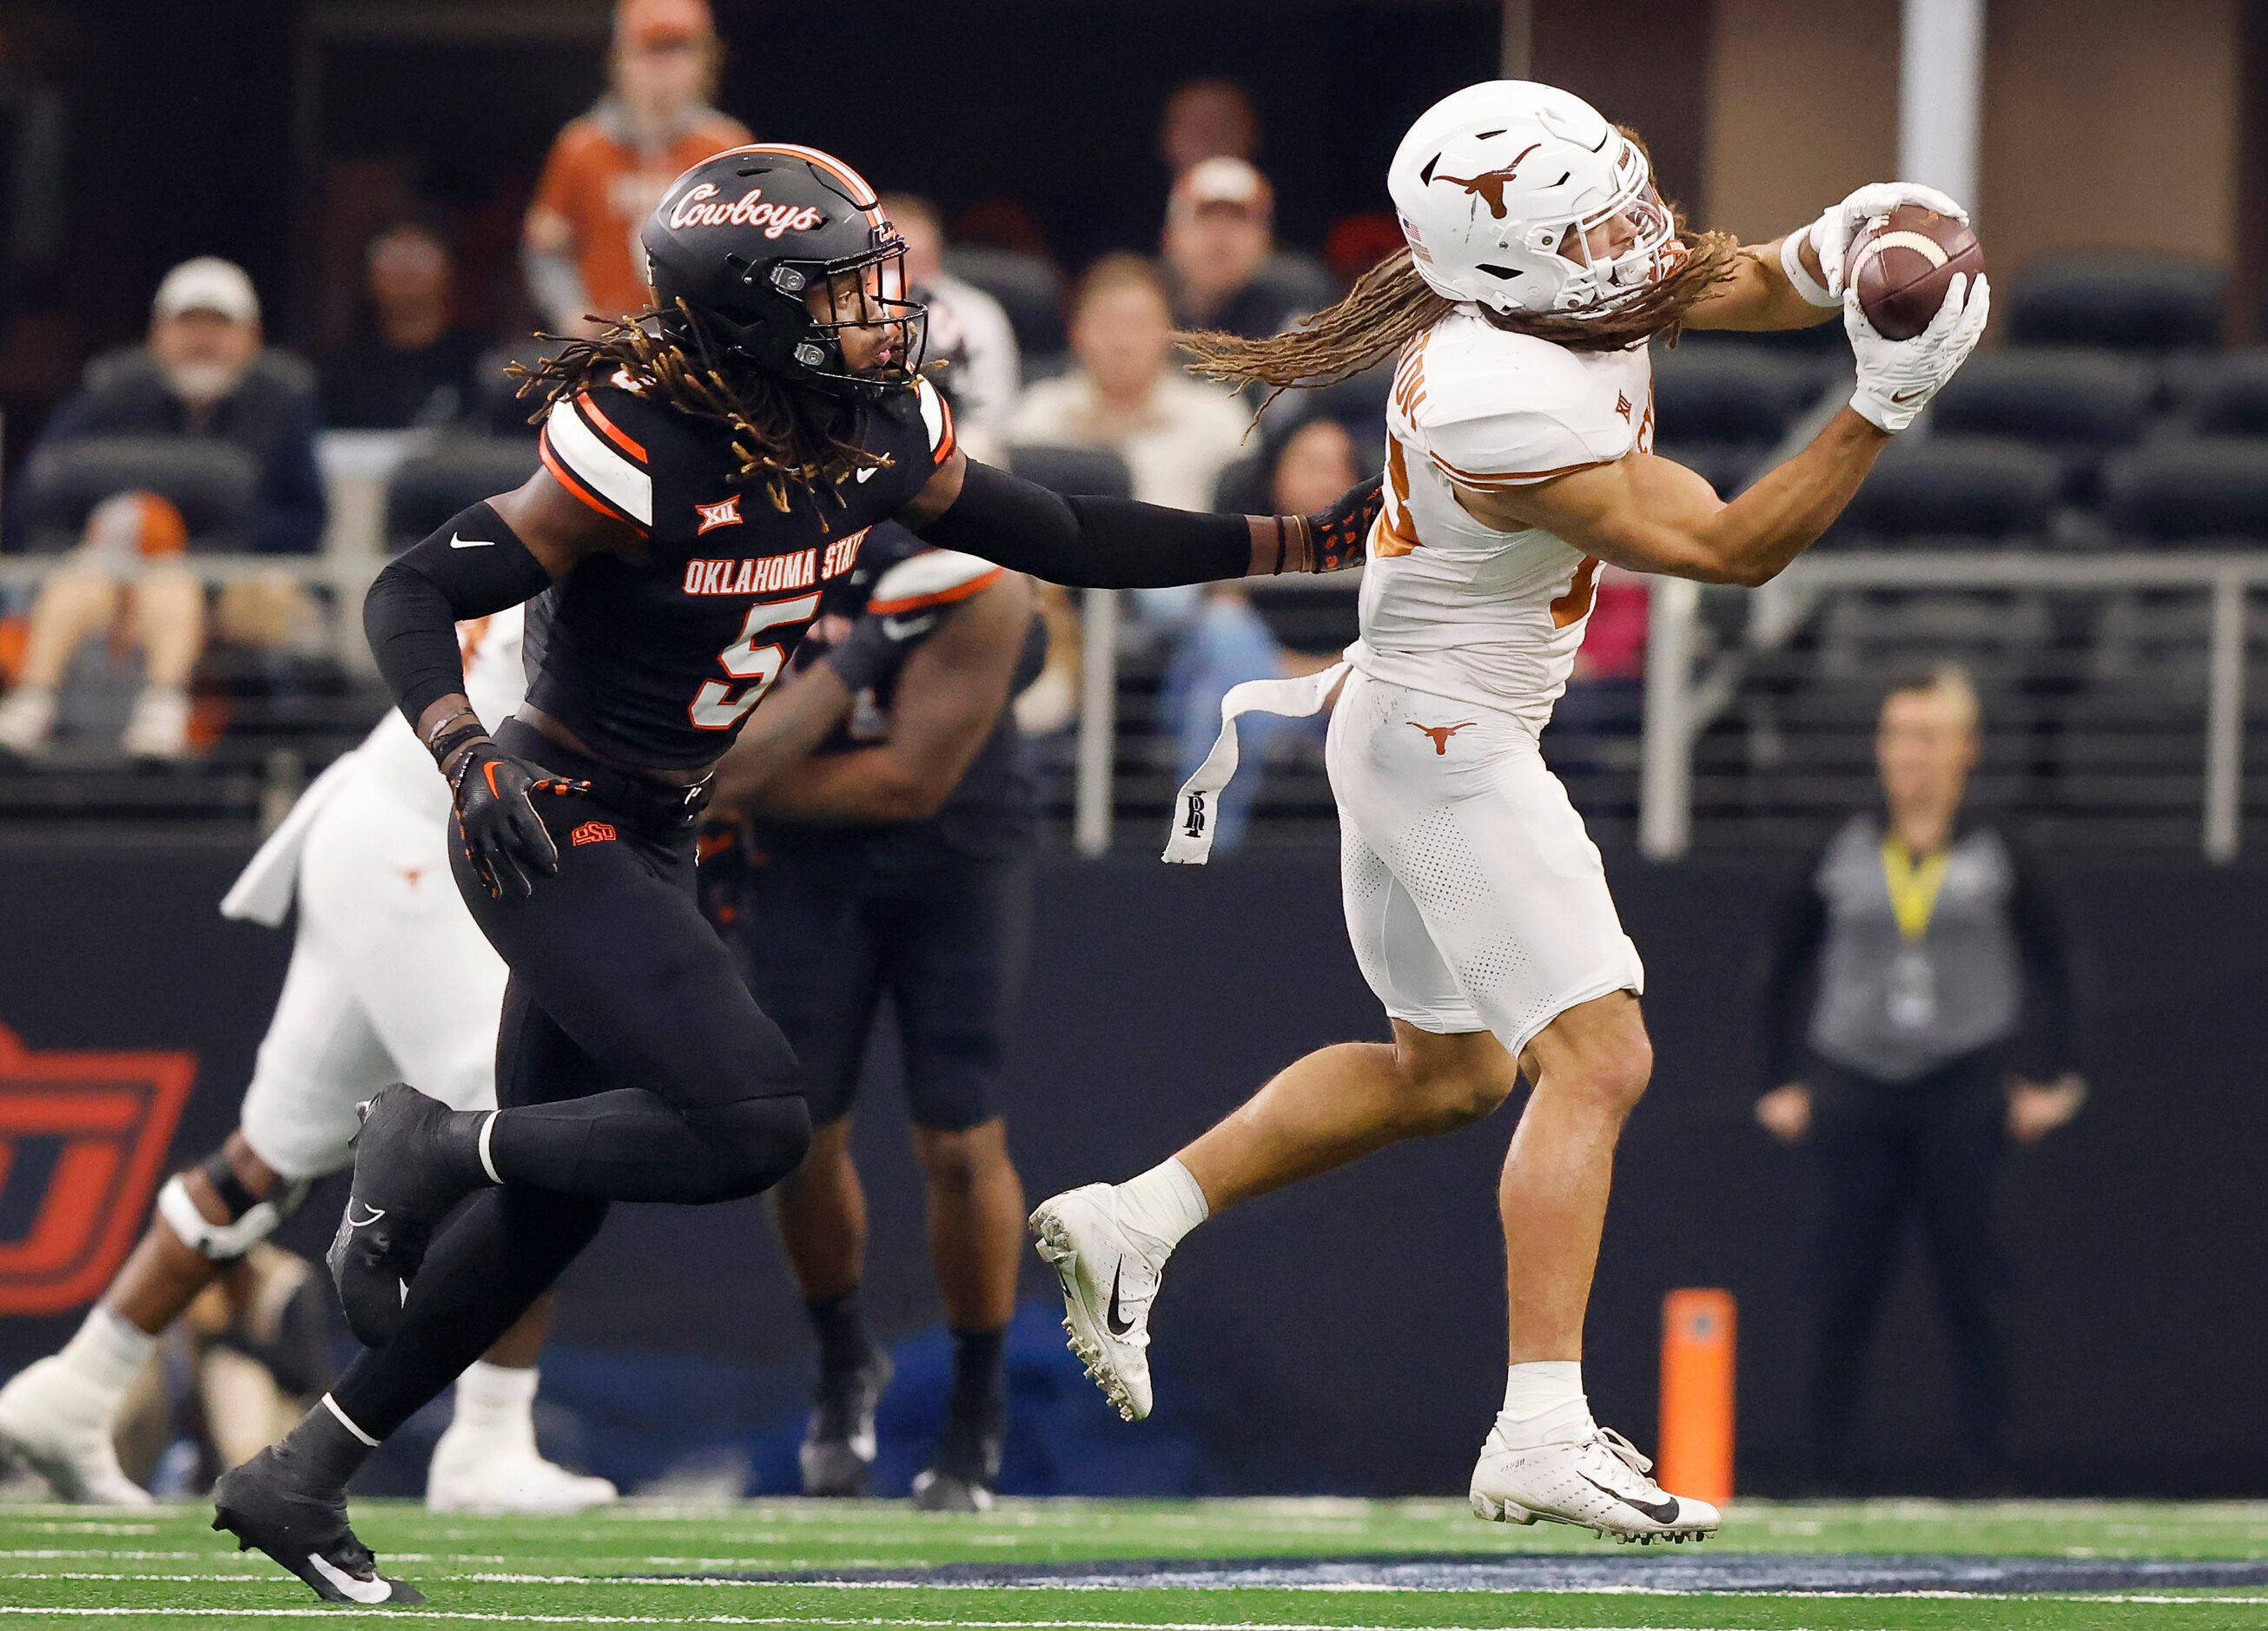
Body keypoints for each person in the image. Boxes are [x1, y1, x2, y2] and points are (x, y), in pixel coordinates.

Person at [210, 142, 1378, 1603]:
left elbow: (1066, 534)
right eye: (840, 291)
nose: (882, 313)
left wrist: (1293, 541)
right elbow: (411, 587)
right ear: (752, 310)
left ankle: (297, 1472)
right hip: (545, 813)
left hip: (652, 825)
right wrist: (460, 748)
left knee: (559, 1199)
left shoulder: (875, 424)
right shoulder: (640, 435)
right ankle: (434, 1143)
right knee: (754, 1116)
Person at [1028, 80, 1991, 1545]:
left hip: (1415, 719)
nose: (1632, 242)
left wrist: (1843, 246)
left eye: (1622, 201)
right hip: (1446, 736)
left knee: (1451, 1077)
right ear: (1505, 267)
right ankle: (1538, 1422)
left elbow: (1726, 276)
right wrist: (1883, 400)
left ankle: (1136, 1217)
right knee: (1598, 1057)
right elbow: (1728, 546)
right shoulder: (1495, 393)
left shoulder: (1555, 290)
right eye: (1592, 227)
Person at [0, 605, 614, 1515]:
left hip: (382, 823)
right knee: (520, 1138)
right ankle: (486, 1441)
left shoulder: (594, 522)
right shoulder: (654, 540)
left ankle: (76, 1388)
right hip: (420, 843)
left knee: (266, 1161)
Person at [701, 529, 1043, 1512]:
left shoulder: (964, 561)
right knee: (796, 1133)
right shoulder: (749, 542)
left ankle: (976, 1405)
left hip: (956, 856)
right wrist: (729, 778)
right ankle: (842, 1358)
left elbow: (908, 780)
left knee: (958, 1134)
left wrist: (740, 782)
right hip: (807, 869)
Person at [1755, 664, 2086, 1489]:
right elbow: (1780, 964)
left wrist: (2058, 1077)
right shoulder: (1841, 843)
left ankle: (1991, 1468)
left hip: (1961, 1085)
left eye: (1930, 737)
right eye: (1899, 735)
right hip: (1853, 1085)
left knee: (1976, 1286)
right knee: (1839, 1285)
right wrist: (1779, 1080)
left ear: (1966, 750)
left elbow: (2059, 962)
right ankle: (1821, 1472)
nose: (1911, 755)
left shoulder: (1999, 847)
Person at [0, 259, 327, 760]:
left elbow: (306, 519)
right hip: (108, 574)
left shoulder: (282, 404)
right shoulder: (109, 396)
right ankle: (33, 704)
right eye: (187, 325)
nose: (203, 340)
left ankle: (166, 709)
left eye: (220, 326)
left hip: (229, 579)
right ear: (157, 335)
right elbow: (43, 489)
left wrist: (195, 553)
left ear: (252, 337)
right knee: (92, 576)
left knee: (173, 582)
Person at [1162, 416, 1359, 852]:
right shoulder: (1246, 525)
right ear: (1277, 470)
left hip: (1335, 714)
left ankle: (1198, 858)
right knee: (1220, 632)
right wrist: (1307, 683)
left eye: (1336, 466)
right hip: (1293, 697)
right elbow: (1222, 615)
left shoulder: (1383, 547)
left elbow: (1385, 658)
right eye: (1309, 464)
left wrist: (1287, 685)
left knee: (1216, 707)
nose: (1325, 479)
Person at [521, 0, 750, 336]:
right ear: (620, 60)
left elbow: (749, 251)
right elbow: (545, 250)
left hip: (697, 342)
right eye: (651, 51)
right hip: (607, 339)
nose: (665, 69)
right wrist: (571, 313)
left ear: (707, 61)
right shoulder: (581, 146)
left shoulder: (725, 148)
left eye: (680, 52)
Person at [880, 193, 1020, 463]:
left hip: (959, 450)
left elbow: (994, 414)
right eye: (892, 263)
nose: (908, 276)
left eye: (918, 262)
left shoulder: (977, 314)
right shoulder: (841, 309)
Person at [320, 222, 490, 431]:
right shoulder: (341, 370)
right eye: (392, 260)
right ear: (368, 278)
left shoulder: (482, 363)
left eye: (418, 259)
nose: (406, 270)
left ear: (448, 271)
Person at [1161, 157, 1312, 341]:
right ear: (1170, 237)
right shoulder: (1135, 307)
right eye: (1205, 218)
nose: (1220, 236)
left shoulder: (1295, 314)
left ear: (1267, 242)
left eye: (1238, 219)